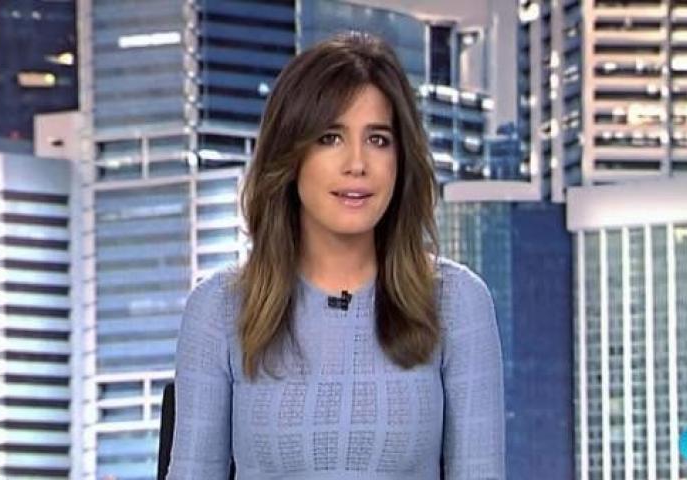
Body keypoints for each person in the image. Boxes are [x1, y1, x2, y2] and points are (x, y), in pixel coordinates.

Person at [166, 32, 504, 479]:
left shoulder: (457, 302)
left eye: (378, 140)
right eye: (330, 137)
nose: (357, 164)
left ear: (401, 160)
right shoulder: (219, 309)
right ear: (290, 157)